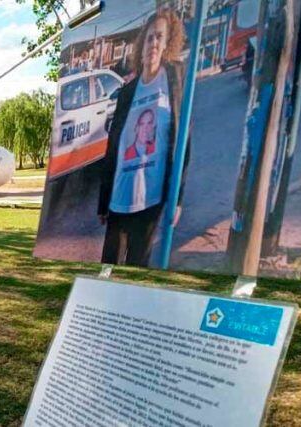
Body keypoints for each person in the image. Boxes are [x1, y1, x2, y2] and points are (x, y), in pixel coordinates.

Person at [98, 9, 191, 267]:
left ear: (167, 44)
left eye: (159, 38)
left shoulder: (175, 82)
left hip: (151, 197)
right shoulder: (128, 91)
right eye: (149, 38)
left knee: (138, 269)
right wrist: (103, 201)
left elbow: (184, 141)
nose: (153, 44)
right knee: (108, 270)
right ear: (142, 44)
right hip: (119, 197)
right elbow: (113, 147)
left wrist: (178, 198)